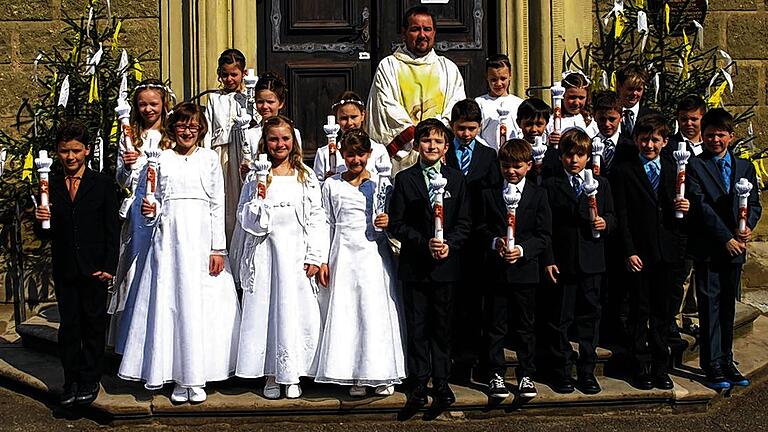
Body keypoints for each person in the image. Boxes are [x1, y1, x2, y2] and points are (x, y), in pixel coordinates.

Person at [118, 103, 241, 404]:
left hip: (200, 239)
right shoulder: (160, 160)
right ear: (173, 128)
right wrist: (151, 211)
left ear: (201, 130)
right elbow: (153, 201)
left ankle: (197, 375)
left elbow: (216, 204)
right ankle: (174, 373)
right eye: (182, 125)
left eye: (194, 126)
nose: (188, 131)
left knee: (200, 304)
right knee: (170, 302)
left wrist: (217, 248)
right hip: (169, 240)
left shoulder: (209, 159)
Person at [235, 115, 328, 400]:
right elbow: (244, 217)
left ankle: (295, 371)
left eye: (285, 138)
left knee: (294, 310)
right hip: (266, 252)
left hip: (296, 252)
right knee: (267, 309)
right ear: (265, 142)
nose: (280, 144)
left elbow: (317, 216)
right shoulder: (256, 176)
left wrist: (315, 254)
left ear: (293, 141)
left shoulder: (306, 175)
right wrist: (258, 206)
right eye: (274, 139)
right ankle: (271, 372)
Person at [314, 129, 406, 397]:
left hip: (372, 254)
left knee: (374, 310)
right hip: (343, 253)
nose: (355, 160)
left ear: (369, 154)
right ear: (342, 154)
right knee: (349, 311)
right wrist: (322, 259)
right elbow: (325, 222)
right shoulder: (331, 185)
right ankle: (354, 373)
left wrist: (387, 223)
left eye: (360, 154)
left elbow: (391, 216)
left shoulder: (380, 184)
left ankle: (380, 372)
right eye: (350, 154)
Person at [388, 118, 471, 408]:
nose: (432, 146)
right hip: (416, 266)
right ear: (417, 144)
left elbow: (464, 221)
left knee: (442, 326)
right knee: (418, 326)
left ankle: (443, 382)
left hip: (446, 267)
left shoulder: (456, 179)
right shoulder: (405, 179)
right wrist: (424, 243)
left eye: (437, 141)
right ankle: (419, 383)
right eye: (426, 141)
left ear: (446, 146)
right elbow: (396, 224)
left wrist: (450, 243)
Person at [34, 122, 119, 406]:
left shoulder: (102, 183)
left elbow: (112, 228)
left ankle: (89, 378)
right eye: (64, 151)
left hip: (94, 267)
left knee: (94, 325)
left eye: (75, 151)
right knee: (69, 326)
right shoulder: (51, 184)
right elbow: (45, 232)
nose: (70, 157)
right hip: (66, 266)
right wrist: (40, 218)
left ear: (87, 151)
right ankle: (70, 379)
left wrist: (109, 265)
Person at [611, 113, 690, 390]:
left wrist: (683, 209)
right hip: (639, 253)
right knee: (639, 310)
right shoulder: (624, 170)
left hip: (666, 253)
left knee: (662, 312)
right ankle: (640, 364)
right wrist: (629, 251)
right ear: (636, 140)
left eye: (655, 139)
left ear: (665, 141)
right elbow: (621, 215)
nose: (649, 145)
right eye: (644, 139)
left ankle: (660, 365)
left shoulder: (674, 169)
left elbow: (678, 215)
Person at [687, 108, 762, 389]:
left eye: (720, 134)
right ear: (702, 136)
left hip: (736, 247)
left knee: (729, 306)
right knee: (710, 306)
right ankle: (712, 364)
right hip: (711, 246)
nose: (714, 140)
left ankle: (727, 359)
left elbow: (753, 203)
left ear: (731, 136)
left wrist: (747, 226)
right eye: (709, 135)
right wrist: (725, 238)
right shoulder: (696, 166)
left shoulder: (745, 167)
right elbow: (700, 206)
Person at [476, 139, 552, 399]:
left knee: (525, 327)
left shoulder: (539, 194)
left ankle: (526, 374)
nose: (511, 171)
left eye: (517, 166)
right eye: (506, 165)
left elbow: (543, 235)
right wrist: (495, 242)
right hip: (496, 271)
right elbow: (481, 228)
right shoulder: (489, 194)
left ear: (529, 166)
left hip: (525, 272)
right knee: (495, 325)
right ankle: (495, 373)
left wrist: (522, 249)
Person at [542, 128, 615, 395]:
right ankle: (561, 371)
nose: (574, 160)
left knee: (589, 318)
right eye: (569, 154)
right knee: (560, 318)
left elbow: (613, 216)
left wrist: (605, 222)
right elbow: (545, 226)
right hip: (563, 262)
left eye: (580, 155)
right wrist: (548, 259)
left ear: (588, 157)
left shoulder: (601, 184)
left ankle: (587, 371)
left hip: (592, 262)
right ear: (561, 157)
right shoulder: (550, 185)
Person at [109, 79, 173, 349]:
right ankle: (131, 338)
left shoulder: (171, 137)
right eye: (143, 104)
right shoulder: (130, 138)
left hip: (165, 207)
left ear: (164, 105)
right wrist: (126, 165)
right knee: (137, 270)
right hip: (138, 212)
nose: (148, 109)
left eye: (153, 104)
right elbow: (122, 181)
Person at [366, 5, 466, 176]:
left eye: (427, 29)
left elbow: (455, 109)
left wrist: (432, 140)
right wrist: (418, 138)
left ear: (434, 32)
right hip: (403, 156)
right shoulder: (389, 66)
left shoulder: (448, 68)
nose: (422, 35)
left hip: (439, 152)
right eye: (415, 29)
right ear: (404, 32)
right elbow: (385, 109)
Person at [444, 99, 500, 377]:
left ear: (479, 127)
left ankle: (476, 358)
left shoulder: (488, 156)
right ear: (452, 127)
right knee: (452, 300)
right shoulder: (444, 153)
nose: (466, 134)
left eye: (471, 129)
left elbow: (492, 196)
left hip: (478, 237)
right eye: (460, 129)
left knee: (476, 301)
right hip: (450, 235)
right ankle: (453, 356)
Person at [203, 49, 251, 246]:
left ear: (243, 73)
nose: (229, 79)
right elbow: (207, 128)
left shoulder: (249, 97)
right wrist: (207, 155)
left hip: (242, 154)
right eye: (225, 74)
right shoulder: (215, 99)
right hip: (220, 153)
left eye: (234, 74)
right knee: (223, 201)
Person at [313, 91, 391, 184]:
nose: (349, 123)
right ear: (337, 119)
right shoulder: (324, 154)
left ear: (362, 115)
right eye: (344, 118)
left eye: (354, 117)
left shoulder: (379, 151)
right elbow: (316, 187)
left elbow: (384, 184)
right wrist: (326, 182)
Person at [475, 54, 524, 151]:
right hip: (488, 156)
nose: (498, 84)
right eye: (493, 79)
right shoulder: (480, 103)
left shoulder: (519, 103)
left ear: (510, 75)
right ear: (487, 77)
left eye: (503, 78)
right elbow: (476, 133)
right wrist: (488, 151)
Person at [591, 91, 636, 176]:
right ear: (594, 116)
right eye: (602, 119)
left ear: (621, 117)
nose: (606, 124)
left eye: (612, 119)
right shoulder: (587, 147)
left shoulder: (632, 148)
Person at [547, 71, 598, 147]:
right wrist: (549, 142)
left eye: (581, 98)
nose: (576, 103)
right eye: (572, 97)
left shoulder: (592, 121)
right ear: (562, 96)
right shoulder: (551, 122)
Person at [616, 64, 652, 137]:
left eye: (639, 89)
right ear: (619, 86)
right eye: (630, 89)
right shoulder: (608, 115)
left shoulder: (651, 117)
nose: (634, 93)